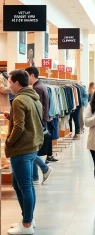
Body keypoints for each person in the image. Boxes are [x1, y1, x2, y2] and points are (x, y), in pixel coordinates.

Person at [5, 70, 44, 235]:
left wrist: (9, 141)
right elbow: (29, 121)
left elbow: (20, 127)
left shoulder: (19, 100)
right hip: (32, 146)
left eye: (10, 82)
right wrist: (11, 118)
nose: (9, 86)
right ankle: (28, 219)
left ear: (17, 83)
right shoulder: (33, 97)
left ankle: (27, 225)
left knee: (25, 186)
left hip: (21, 148)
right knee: (20, 185)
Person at [25, 67, 54, 185]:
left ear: (32, 75)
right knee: (33, 150)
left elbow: (36, 108)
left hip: (38, 122)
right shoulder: (42, 86)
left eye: (27, 75)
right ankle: (35, 176)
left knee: (31, 150)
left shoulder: (37, 88)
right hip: (42, 121)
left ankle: (42, 170)